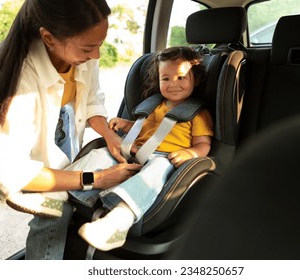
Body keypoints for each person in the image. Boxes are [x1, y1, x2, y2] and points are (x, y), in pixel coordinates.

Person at [0, 0, 142, 259]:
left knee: (70, 200)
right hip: (25, 159)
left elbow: (91, 102)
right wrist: (96, 179)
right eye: (89, 47)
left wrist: (111, 137)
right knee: (56, 211)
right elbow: (10, 170)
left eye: (100, 44)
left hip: (61, 134)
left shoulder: (83, 55)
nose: (97, 55)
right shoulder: (20, 80)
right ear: (49, 38)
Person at [77, 46, 214, 251]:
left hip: (166, 159)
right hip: (133, 154)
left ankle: (118, 221)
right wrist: (126, 124)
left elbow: (204, 144)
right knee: (100, 153)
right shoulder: (155, 106)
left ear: (196, 79)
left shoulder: (198, 113)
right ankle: (61, 190)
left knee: (157, 168)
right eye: (165, 78)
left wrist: (191, 153)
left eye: (181, 77)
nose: (172, 84)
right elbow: (144, 128)